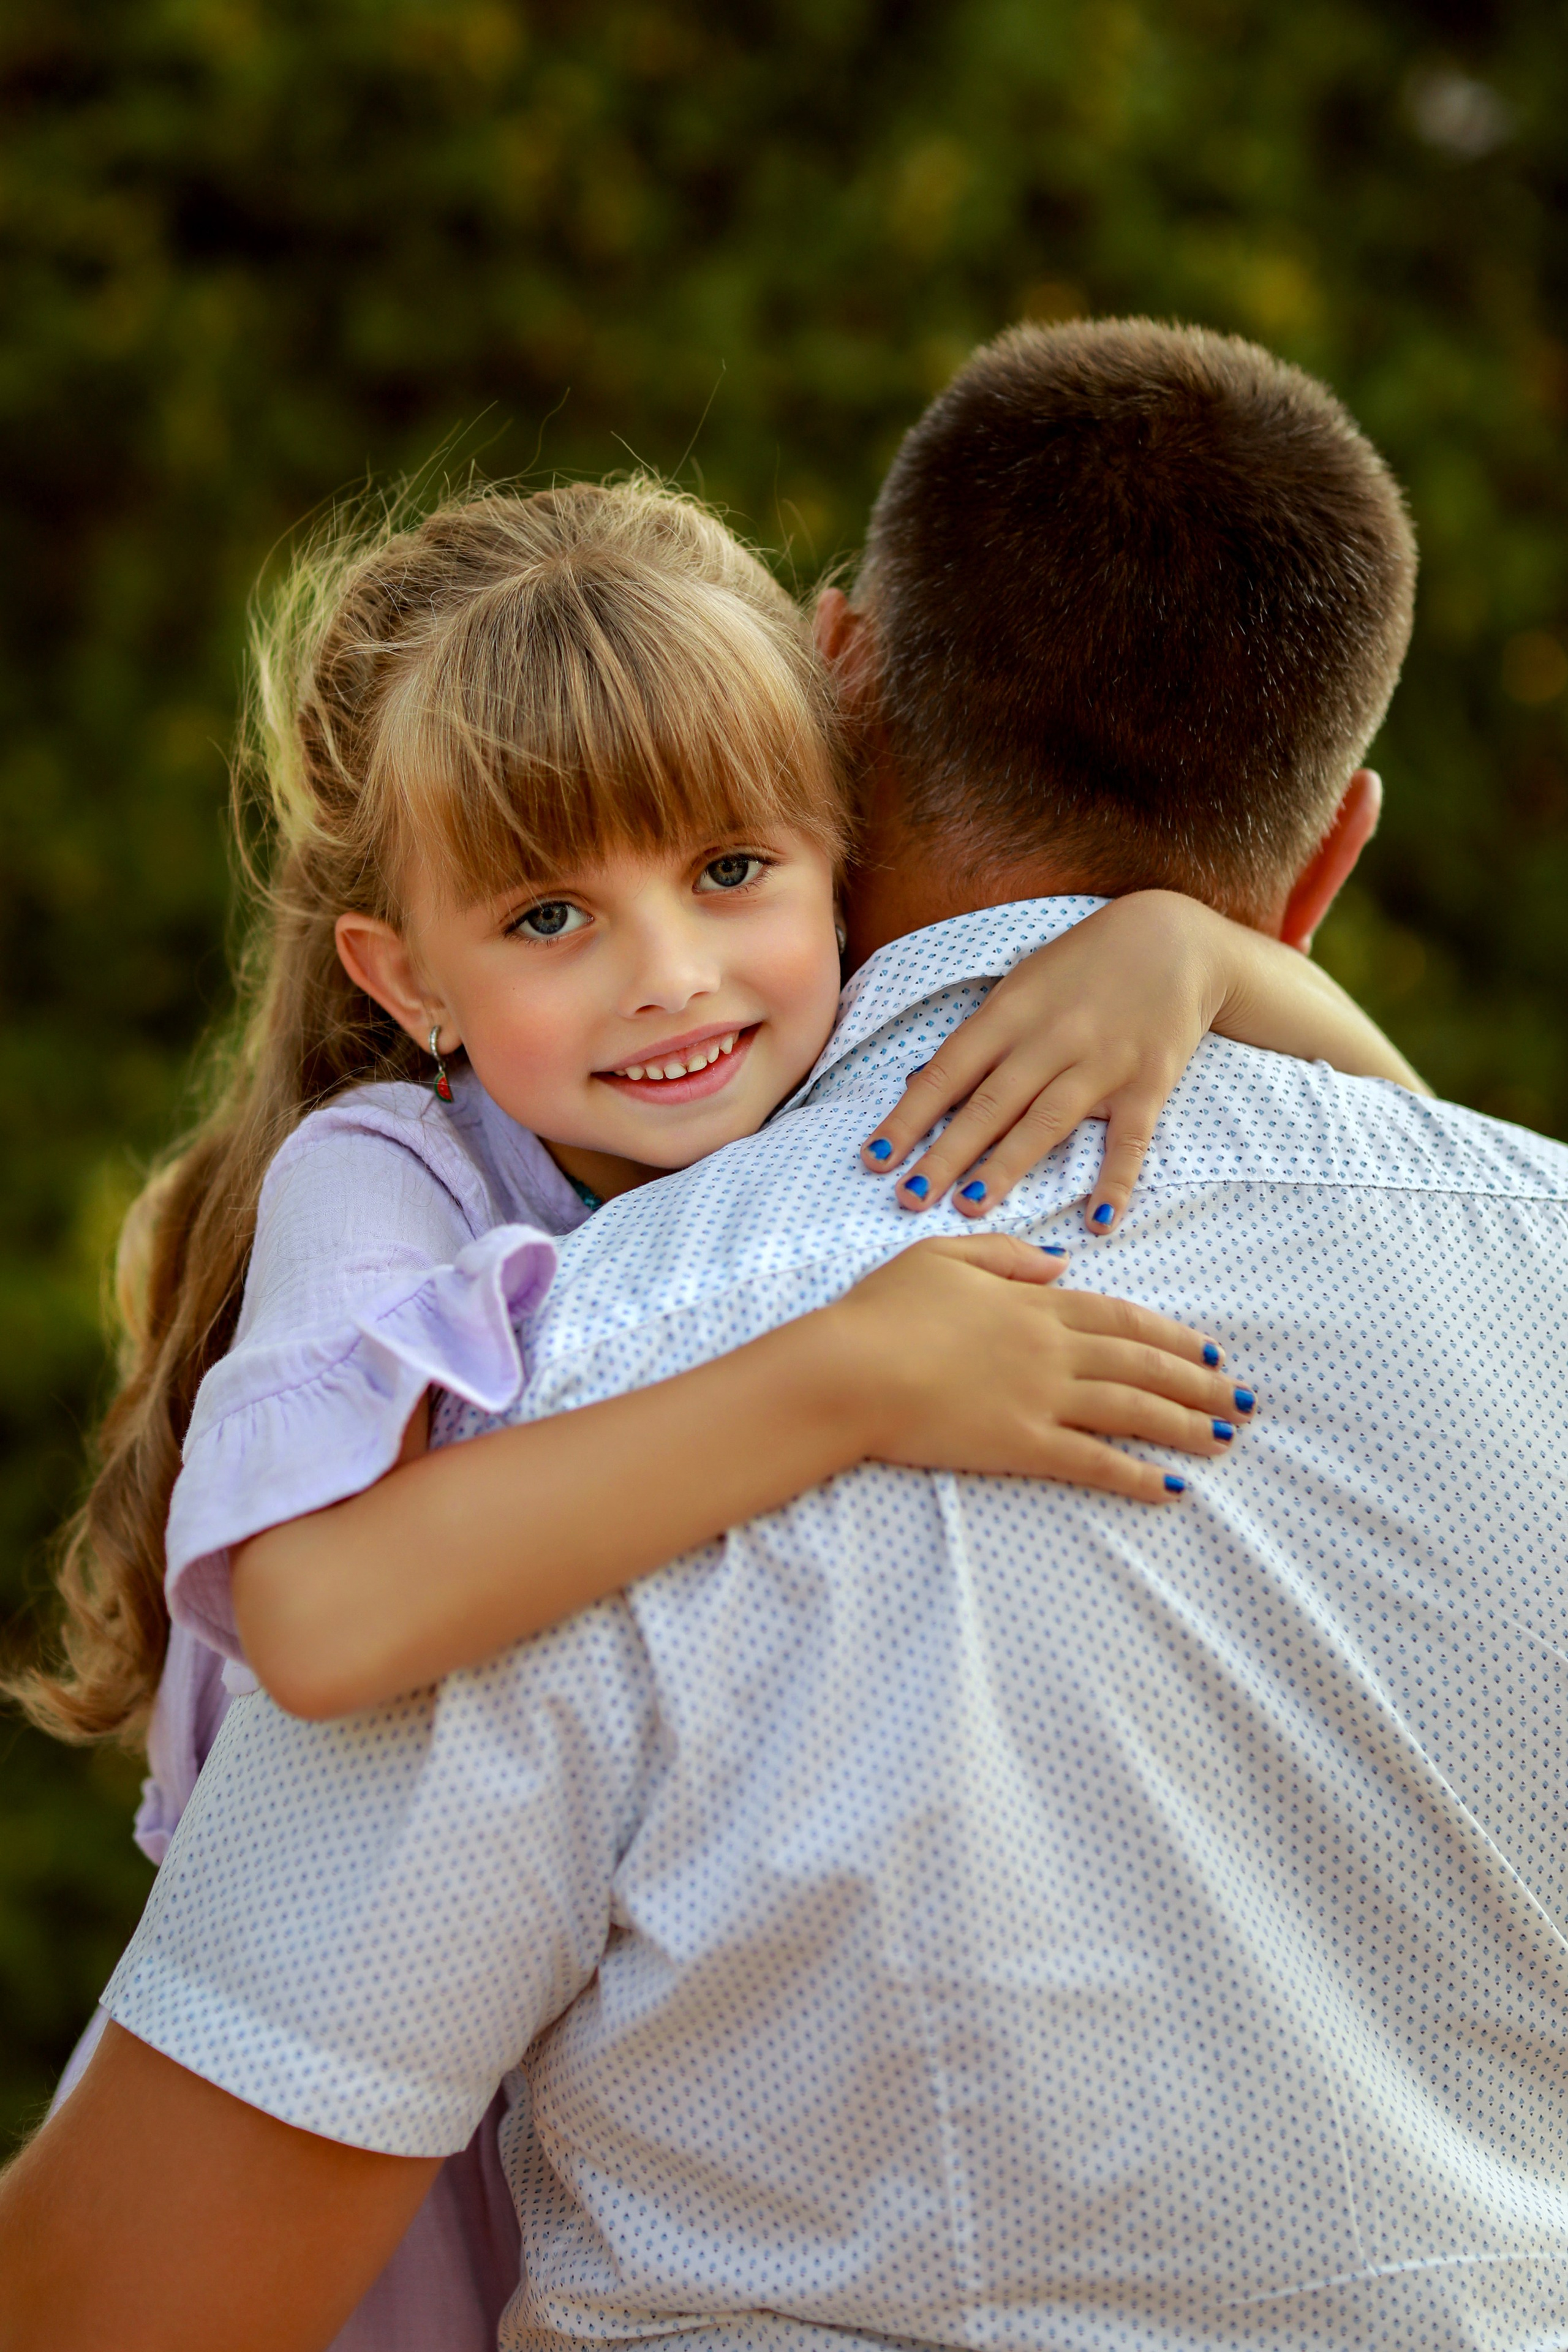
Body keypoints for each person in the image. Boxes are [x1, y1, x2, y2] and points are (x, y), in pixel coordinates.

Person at [9, 317, 1566, 2352]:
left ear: (839, 699)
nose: (666, 975)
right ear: (1336, 850)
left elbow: (112, 2309)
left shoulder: (593, 1384)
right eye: (553, 911)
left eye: (725, 870)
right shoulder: (500, 1321)